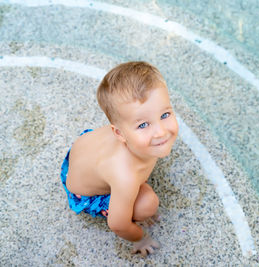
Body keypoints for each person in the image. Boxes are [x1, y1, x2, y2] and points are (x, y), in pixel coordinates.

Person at [60, 61, 179, 256]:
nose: (161, 132)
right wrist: (140, 238)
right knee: (147, 204)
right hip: (84, 194)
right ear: (120, 134)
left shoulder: (128, 134)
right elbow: (118, 224)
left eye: (165, 114)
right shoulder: (126, 176)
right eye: (143, 125)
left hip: (82, 155)